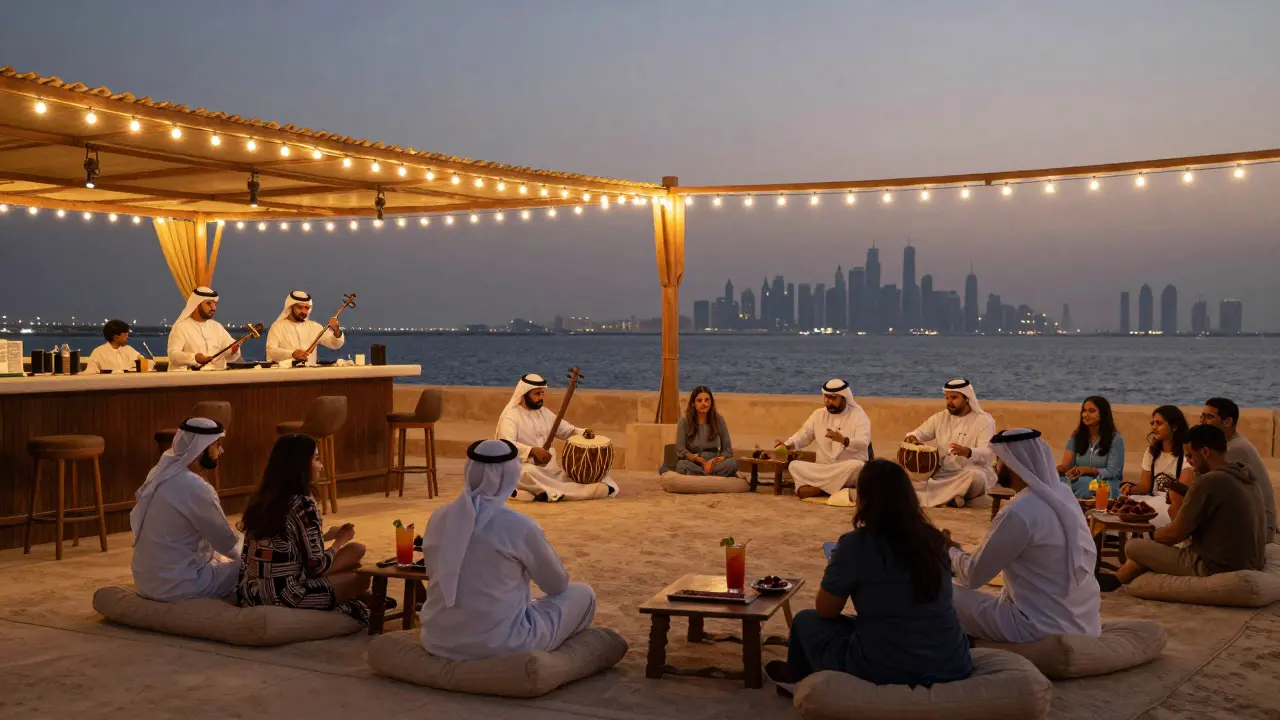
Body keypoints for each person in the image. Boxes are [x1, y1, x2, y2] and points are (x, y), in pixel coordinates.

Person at [764, 459, 973, 695]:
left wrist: (837, 567)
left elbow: (826, 610)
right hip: (951, 663)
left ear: (863, 499)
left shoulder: (855, 544)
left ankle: (798, 683)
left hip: (885, 667)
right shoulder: (935, 540)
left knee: (805, 621)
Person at [419, 439, 596, 660]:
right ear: (511, 474)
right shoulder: (520, 525)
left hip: (438, 639)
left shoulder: (438, 517)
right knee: (584, 594)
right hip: (503, 643)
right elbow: (557, 585)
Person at [946, 428, 1101, 643]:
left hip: (1036, 626)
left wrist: (949, 551)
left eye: (999, 459)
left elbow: (973, 576)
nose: (995, 466)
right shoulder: (1063, 494)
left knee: (937, 593)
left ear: (1013, 463)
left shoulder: (1019, 511)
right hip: (1083, 622)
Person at [235, 434, 370, 625]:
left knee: (357, 550)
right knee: (361, 579)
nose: (321, 466)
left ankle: (354, 596)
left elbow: (282, 547)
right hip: (285, 595)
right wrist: (340, 541)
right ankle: (352, 603)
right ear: (300, 465)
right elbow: (317, 565)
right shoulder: (303, 505)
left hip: (250, 593)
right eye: (316, 459)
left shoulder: (260, 500)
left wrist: (326, 536)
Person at [1116, 424, 1267, 584]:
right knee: (1143, 558)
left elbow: (1175, 534)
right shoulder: (1244, 474)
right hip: (1252, 561)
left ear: (1205, 452)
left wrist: (1150, 536)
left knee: (1133, 547)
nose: (1188, 460)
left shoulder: (1210, 481)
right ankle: (1114, 580)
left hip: (1216, 566)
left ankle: (1113, 581)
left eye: (1189, 456)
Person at [129, 417, 242, 602]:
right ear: (202, 448)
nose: (221, 451)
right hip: (178, 586)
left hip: (145, 582)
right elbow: (226, 542)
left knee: (219, 559)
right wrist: (255, 555)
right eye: (217, 445)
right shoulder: (196, 487)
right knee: (248, 568)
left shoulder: (158, 473)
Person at [495, 373, 617, 501]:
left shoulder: (545, 413)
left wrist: (583, 433)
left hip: (548, 469)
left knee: (567, 475)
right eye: (537, 394)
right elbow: (505, 445)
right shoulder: (511, 416)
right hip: (522, 466)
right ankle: (559, 492)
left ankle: (549, 492)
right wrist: (532, 451)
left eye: (542, 394)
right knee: (527, 473)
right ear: (524, 394)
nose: (541, 398)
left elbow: (566, 430)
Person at [904, 378, 997, 508]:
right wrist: (913, 438)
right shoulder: (940, 418)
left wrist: (968, 452)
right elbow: (918, 433)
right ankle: (953, 496)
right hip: (943, 473)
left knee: (977, 477)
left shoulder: (984, 421)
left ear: (966, 398)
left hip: (969, 471)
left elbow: (989, 453)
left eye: (954, 398)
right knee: (908, 473)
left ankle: (936, 496)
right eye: (947, 398)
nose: (949, 402)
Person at [773, 379, 871, 500]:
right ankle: (833, 487)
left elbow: (863, 443)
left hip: (845, 467)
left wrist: (844, 440)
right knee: (794, 466)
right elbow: (804, 435)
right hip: (823, 467)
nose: (828, 401)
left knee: (857, 467)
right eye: (826, 397)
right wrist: (788, 445)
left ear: (844, 398)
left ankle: (819, 489)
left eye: (833, 398)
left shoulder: (859, 416)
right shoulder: (818, 415)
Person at [1201, 397, 1276, 542]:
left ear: (1227, 422)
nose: (1202, 422)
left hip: (1258, 530)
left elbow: (1208, 489)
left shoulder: (1234, 449)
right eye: (1202, 416)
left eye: (1209, 417)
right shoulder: (1230, 443)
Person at [1124, 405, 1194, 528]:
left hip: (1171, 504)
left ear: (1174, 427)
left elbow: (1182, 491)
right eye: (1152, 423)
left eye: (1159, 423)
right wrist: (1128, 489)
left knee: (1147, 510)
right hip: (1152, 498)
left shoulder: (1185, 455)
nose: (1154, 427)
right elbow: (1145, 487)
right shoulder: (1151, 452)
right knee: (1124, 503)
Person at [1057, 396, 1125, 499]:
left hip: (1106, 483)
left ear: (1103, 414)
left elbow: (1113, 471)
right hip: (1079, 481)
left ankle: (1073, 508)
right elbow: (1066, 466)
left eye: (1091, 411)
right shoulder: (1076, 437)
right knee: (1058, 484)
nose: (1086, 415)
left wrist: (1088, 470)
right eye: (1084, 411)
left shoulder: (1115, 439)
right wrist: (1058, 470)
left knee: (1086, 484)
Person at [166, 286, 244, 370]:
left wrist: (233, 351)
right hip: (189, 378)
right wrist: (194, 358)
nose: (213, 308)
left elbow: (230, 354)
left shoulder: (217, 327)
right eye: (209, 303)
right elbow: (173, 355)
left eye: (214, 304)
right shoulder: (181, 327)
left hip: (218, 376)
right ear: (197, 305)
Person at [265, 290, 344, 366]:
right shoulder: (277, 327)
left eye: (306, 308)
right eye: (299, 307)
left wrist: (336, 330)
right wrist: (292, 354)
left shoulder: (314, 327)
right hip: (285, 374)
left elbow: (335, 344)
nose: (303, 311)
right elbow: (271, 351)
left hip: (309, 374)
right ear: (291, 307)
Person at [672, 386, 738, 477]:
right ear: (693, 403)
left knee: (733, 463)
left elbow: (727, 450)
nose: (704, 403)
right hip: (695, 462)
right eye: (699, 401)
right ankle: (710, 474)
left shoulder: (718, 419)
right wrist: (702, 462)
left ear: (711, 402)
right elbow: (681, 450)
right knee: (681, 466)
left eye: (707, 400)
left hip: (714, 463)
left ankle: (703, 474)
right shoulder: (684, 421)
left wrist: (714, 461)